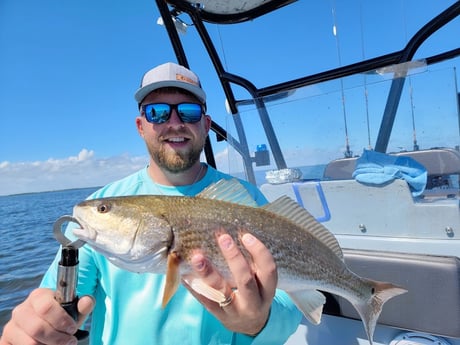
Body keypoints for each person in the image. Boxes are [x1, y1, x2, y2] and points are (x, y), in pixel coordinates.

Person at [0, 62, 302, 345]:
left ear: (206, 124)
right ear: (140, 125)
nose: (174, 123)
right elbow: (55, 299)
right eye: (157, 113)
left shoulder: (247, 199)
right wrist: (35, 325)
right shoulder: (97, 209)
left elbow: (294, 302)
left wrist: (259, 322)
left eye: (188, 111)